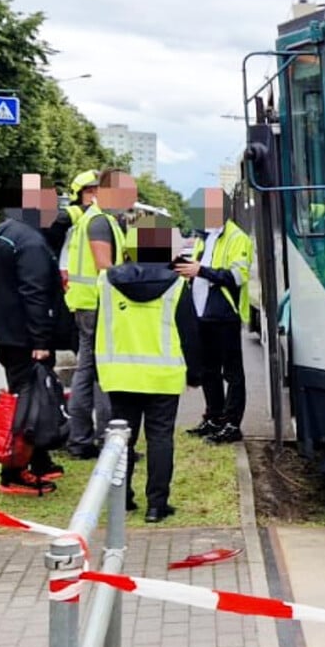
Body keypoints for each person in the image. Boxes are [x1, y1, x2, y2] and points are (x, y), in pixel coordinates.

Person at [96, 219, 200, 521]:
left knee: (120, 439)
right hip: (163, 377)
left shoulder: (106, 281)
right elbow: (189, 333)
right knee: (160, 439)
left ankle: (122, 498)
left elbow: (99, 326)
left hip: (119, 374)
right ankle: (157, 505)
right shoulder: (177, 285)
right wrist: (195, 374)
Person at [0, 174, 77, 495]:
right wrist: (41, 341)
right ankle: (13, 472)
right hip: (25, 338)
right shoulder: (32, 242)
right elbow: (34, 294)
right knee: (28, 404)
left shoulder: (1, 234)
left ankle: (41, 461)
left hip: (4, 331)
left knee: (32, 398)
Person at [63, 168, 136, 458]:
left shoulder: (96, 219)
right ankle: (106, 439)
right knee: (101, 374)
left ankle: (82, 439)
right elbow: (105, 265)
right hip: (97, 305)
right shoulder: (99, 222)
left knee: (87, 372)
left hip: (88, 303)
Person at [175, 187, 253, 444]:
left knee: (232, 373)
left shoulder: (237, 237)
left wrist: (201, 271)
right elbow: (198, 269)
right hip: (202, 313)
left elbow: (236, 277)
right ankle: (214, 417)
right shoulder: (204, 237)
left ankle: (232, 425)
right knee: (208, 370)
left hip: (224, 315)